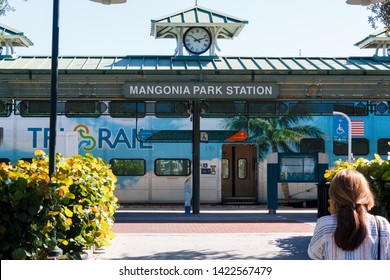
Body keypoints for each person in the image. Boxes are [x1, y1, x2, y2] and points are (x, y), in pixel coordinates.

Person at [308, 169, 390, 260]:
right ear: (365, 193)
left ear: (333, 195)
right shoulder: (381, 224)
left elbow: (313, 254)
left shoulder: (325, 223)